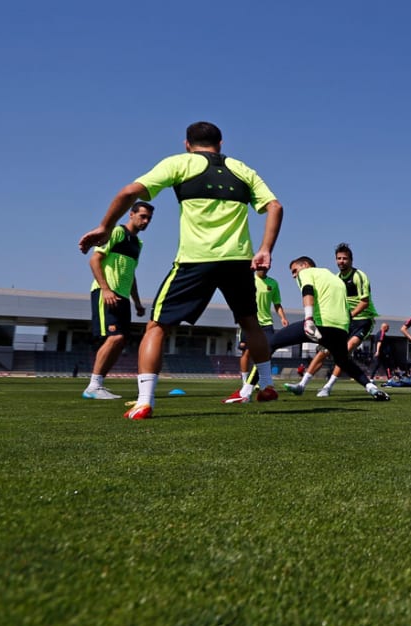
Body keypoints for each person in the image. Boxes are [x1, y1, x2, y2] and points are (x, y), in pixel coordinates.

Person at [79, 122, 283, 420]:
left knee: (157, 326)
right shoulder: (242, 169)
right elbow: (275, 206)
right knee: (250, 322)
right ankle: (266, 385)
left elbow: (130, 191)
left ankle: (144, 401)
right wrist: (265, 249)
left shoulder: (180, 162)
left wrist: (105, 227)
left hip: (195, 260)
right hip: (238, 261)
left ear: (187, 144)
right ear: (221, 143)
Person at [252, 256, 388, 401]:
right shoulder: (335, 279)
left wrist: (309, 319)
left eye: (294, 271)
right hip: (341, 328)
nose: (294, 275)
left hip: (320, 324)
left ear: (305, 265)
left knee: (271, 343)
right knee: (343, 361)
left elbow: (307, 290)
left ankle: (247, 391)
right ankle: (372, 388)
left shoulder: (306, 273)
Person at [285, 243, 378, 397]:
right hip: (343, 322)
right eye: (338, 258)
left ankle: (328, 386)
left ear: (351, 260)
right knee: (323, 352)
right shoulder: (335, 279)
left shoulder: (358, 276)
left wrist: (348, 316)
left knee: (346, 350)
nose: (341, 261)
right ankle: (302, 384)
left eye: (345, 258)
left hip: (362, 320)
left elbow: (365, 302)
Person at [82, 201, 152, 399]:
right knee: (115, 338)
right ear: (131, 214)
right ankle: (93, 386)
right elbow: (94, 260)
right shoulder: (116, 233)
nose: (145, 221)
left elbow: (131, 275)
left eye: (149, 219)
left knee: (120, 341)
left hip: (122, 297)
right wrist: (105, 289)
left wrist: (137, 302)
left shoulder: (138, 244)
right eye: (142, 216)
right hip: (106, 293)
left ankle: (98, 384)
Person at [223, 268, 288, 402]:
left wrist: (282, 317)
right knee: (247, 353)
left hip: (267, 324)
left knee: (267, 351)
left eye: (265, 266)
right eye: (259, 266)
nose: (262, 268)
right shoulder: (248, 281)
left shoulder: (273, 283)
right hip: (250, 322)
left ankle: (262, 383)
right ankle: (245, 383)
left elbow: (277, 304)